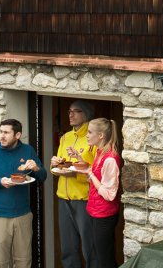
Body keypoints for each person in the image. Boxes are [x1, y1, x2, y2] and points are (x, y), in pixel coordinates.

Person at [0, 119, 43, 268]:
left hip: (23, 216)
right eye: (1, 132)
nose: (2, 136)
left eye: (6, 132)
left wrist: (36, 168)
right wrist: (0, 182)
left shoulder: (28, 151)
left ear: (17, 135)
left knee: (24, 262)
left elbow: (42, 177)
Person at [50, 100, 97, 268]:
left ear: (86, 115)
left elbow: (96, 173)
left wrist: (76, 174)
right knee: (68, 249)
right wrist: (54, 163)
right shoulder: (65, 138)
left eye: (76, 111)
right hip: (63, 199)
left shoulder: (93, 138)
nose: (70, 114)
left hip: (84, 200)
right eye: (70, 111)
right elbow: (58, 167)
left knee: (90, 248)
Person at [84, 117, 121, 268]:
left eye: (89, 132)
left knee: (105, 260)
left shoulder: (110, 159)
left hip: (104, 215)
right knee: (100, 256)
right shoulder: (99, 152)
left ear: (100, 136)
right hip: (95, 211)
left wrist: (91, 175)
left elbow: (109, 194)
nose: (86, 135)